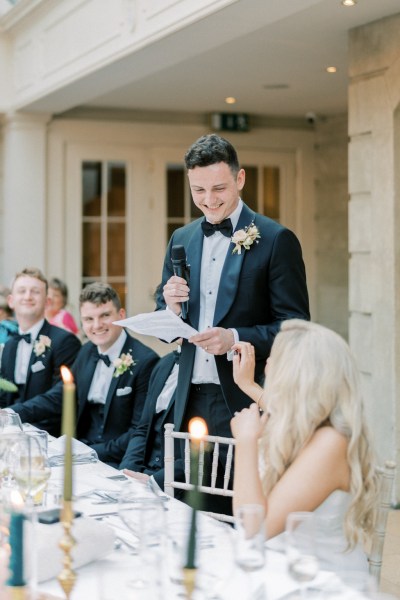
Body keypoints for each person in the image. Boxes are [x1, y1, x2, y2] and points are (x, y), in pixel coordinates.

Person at [157, 134, 310, 512]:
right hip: (189, 396)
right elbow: (167, 313)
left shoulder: (276, 239)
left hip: (246, 401)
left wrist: (235, 337)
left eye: (219, 188)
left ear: (240, 179)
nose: (209, 199)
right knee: (188, 508)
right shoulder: (182, 237)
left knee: (239, 511)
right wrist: (170, 306)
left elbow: (296, 327)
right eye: (199, 190)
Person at [230, 319, 378, 572]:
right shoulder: (303, 426)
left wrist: (245, 443)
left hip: (319, 583)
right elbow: (278, 406)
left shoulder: (330, 443)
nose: (268, 364)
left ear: (296, 374)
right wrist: (247, 385)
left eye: (276, 358)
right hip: (279, 569)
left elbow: (253, 529)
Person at [9, 282, 159, 467]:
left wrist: (91, 453)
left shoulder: (146, 361)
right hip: (78, 451)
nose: (97, 325)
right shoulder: (86, 351)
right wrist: (11, 414)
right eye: (88, 319)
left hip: (117, 460)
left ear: (121, 315)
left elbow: (139, 430)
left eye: (105, 315)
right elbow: (58, 396)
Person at [0, 268, 81, 435]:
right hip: (8, 435)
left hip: (50, 437)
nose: (28, 296)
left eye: (35, 292)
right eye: (22, 291)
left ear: (47, 302)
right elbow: (4, 393)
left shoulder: (65, 341)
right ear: (11, 301)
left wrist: (13, 413)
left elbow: (60, 397)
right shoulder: (9, 346)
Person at [119, 346, 180, 489]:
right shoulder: (164, 363)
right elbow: (143, 428)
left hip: (175, 483)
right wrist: (127, 471)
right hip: (144, 471)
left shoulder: (211, 375)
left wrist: (155, 481)